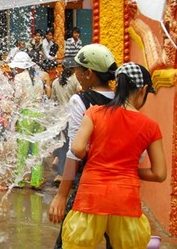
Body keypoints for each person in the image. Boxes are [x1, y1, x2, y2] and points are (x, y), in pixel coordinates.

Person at [62, 62, 166, 248]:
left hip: (91, 197)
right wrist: (129, 170)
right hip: (125, 199)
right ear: (143, 89)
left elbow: (77, 149)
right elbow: (159, 174)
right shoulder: (151, 126)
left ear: (117, 85)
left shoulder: (94, 112)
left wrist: (96, 156)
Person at [48, 44, 118, 249]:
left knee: (69, 240)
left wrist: (61, 195)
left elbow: (74, 151)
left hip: (87, 181)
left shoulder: (81, 100)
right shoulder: (121, 100)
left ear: (88, 73)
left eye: (78, 69)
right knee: (115, 241)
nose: (75, 73)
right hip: (118, 182)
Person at [9, 51, 45, 190]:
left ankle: (20, 180)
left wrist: (14, 112)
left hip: (26, 114)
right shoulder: (37, 76)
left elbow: (18, 96)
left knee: (22, 148)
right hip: (39, 115)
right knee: (37, 148)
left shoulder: (19, 77)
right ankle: (36, 181)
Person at [50, 57, 82, 185]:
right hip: (73, 118)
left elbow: (53, 101)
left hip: (60, 118)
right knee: (71, 146)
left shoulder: (55, 82)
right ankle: (68, 175)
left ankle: (60, 172)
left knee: (63, 145)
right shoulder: (75, 81)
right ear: (74, 69)